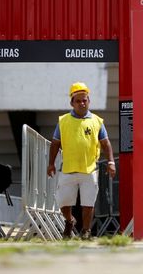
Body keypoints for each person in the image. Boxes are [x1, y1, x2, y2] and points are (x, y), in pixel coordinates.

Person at [47, 82, 116, 240]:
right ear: (72, 102)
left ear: (89, 101)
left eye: (84, 100)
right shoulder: (63, 121)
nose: (82, 103)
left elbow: (106, 143)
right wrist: (51, 163)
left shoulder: (97, 121)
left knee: (88, 203)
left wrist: (111, 162)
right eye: (78, 101)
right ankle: (70, 221)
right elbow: (55, 144)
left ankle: (86, 231)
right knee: (63, 202)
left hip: (89, 169)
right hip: (68, 169)